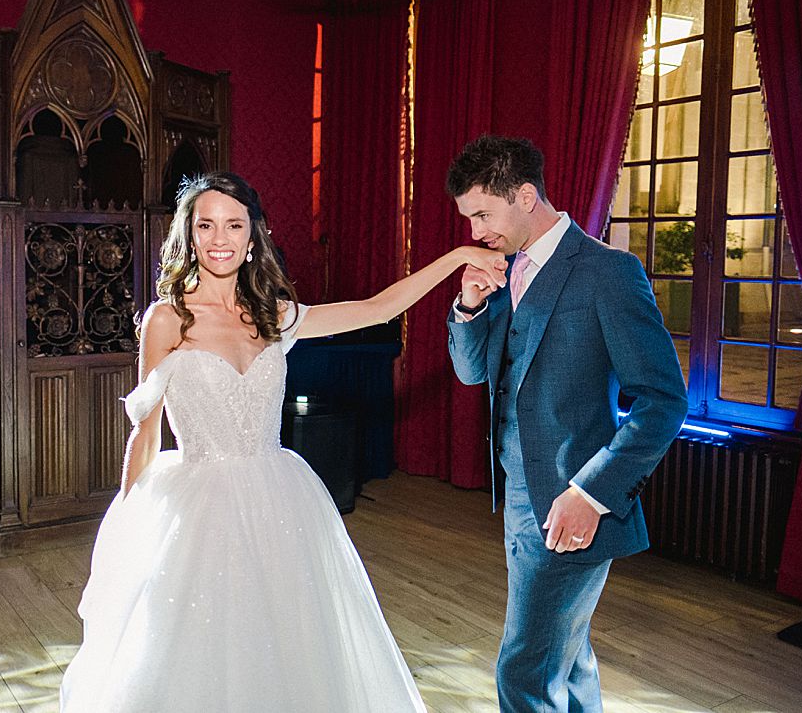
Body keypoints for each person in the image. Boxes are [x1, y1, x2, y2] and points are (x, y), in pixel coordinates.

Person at [59, 172, 506, 712]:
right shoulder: (166, 319)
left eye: (233, 225)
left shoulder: (275, 314)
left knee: (283, 648)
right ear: (189, 235)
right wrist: (125, 530)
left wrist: (457, 257)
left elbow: (379, 309)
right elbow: (146, 431)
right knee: (198, 650)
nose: (219, 238)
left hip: (280, 502)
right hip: (197, 509)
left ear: (253, 238)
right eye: (206, 225)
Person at [444, 135, 688, 713]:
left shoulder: (609, 273)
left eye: (483, 214)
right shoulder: (500, 270)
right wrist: (471, 307)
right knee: (565, 654)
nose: (476, 231)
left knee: (526, 666)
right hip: (519, 498)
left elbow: (663, 399)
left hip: (572, 504)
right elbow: (472, 373)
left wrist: (591, 492)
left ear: (526, 196)